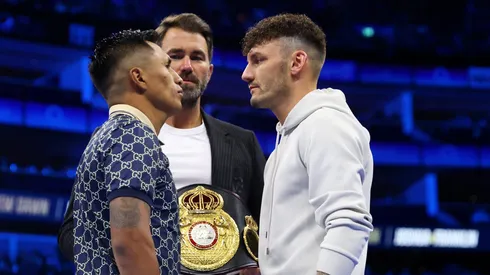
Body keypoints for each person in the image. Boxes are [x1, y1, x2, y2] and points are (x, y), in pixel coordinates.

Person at [58, 13, 265, 275]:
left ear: (210, 70)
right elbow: (123, 236)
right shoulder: (133, 137)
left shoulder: (241, 142)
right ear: (142, 73)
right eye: (172, 59)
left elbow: (265, 225)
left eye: (197, 57)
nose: (183, 69)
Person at [241, 14, 374, 275]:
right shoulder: (290, 139)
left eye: (258, 60)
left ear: (296, 62)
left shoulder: (325, 125)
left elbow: (349, 224)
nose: (246, 74)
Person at [72, 29, 183, 275]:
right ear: (139, 78)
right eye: (167, 66)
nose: (178, 77)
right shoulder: (133, 135)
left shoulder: (107, 134)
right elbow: (129, 241)